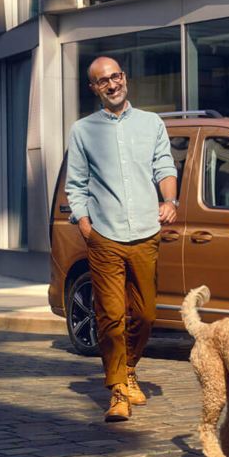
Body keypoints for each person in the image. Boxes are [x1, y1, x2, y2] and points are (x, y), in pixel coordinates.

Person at [65, 56, 178, 422]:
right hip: (105, 234)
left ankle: (130, 367)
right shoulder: (83, 131)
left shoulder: (151, 123)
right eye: (103, 81)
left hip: (146, 232)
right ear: (93, 89)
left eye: (116, 77)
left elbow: (164, 166)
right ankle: (117, 390)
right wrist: (84, 223)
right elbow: (76, 184)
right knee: (110, 315)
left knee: (144, 313)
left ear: (125, 78)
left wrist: (170, 200)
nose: (112, 85)